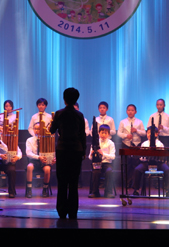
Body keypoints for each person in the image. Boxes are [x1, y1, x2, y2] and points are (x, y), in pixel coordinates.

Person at [50, 87, 86, 219]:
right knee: (73, 182)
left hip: (63, 149)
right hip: (76, 150)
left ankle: (61, 211)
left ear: (64, 99)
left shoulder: (59, 114)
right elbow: (82, 135)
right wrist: (83, 151)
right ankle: (72, 211)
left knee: (62, 181)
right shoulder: (79, 115)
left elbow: (52, 130)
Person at [132, 126, 169, 196]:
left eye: (151, 133)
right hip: (146, 163)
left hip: (158, 163)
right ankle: (136, 190)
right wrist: (145, 157)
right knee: (137, 169)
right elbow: (141, 157)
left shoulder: (160, 144)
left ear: (156, 134)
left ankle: (168, 191)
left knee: (167, 170)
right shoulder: (144, 144)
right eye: (148, 133)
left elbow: (163, 157)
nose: (149, 134)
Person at [0, 100, 22, 198]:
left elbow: (19, 151)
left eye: (10, 106)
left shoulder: (11, 138)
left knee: (12, 170)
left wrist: (17, 157)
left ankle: (11, 192)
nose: (1, 131)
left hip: (8, 162)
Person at [117, 104, 145, 188]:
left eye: (132, 110)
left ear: (135, 112)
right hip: (126, 144)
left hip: (137, 144)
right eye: (129, 110)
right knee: (127, 164)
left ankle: (135, 183)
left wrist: (137, 131)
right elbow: (119, 133)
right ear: (126, 111)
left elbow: (144, 133)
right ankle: (127, 183)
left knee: (136, 164)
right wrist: (126, 135)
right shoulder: (122, 122)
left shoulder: (139, 122)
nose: (130, 112)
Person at [25, 122, 54, 198]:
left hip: (44, 161)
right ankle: (29, 190)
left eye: (38, 129)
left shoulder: (47, 139)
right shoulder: (29, 140)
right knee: (29, 167)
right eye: (35, 129)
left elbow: (51, 152)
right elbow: (28, 153)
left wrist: (51, 159)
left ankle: (45, 189)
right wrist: (38, 157)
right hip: (34, 160)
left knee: (47, 169)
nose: (36, 131)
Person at [89, 124, 115, 198]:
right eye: (102, 133)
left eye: (105, 133)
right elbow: (89, 157)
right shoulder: (95, 143)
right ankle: (95, 192)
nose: (103, 135)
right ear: (99, 133)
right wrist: (91, 154)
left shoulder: (111, 143)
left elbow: (113, 156)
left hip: (107, 163)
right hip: (97, 163)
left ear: (108, 134)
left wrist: (103, 154)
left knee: (109, 171)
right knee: (96, 172)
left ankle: (108, 192)